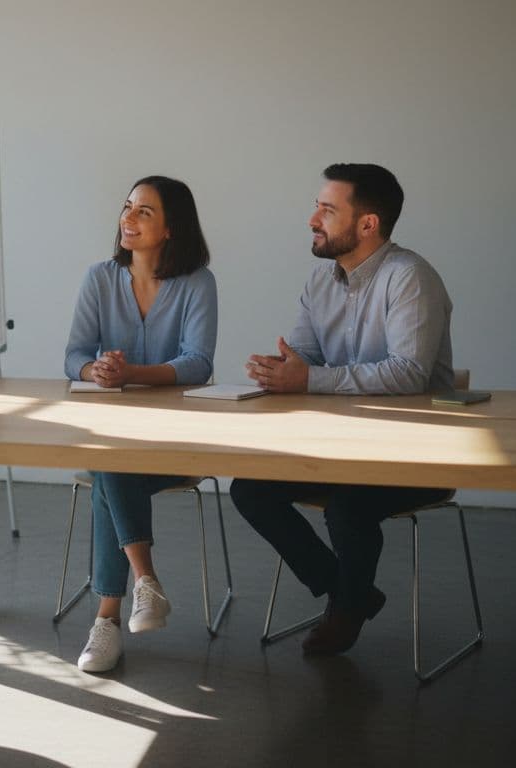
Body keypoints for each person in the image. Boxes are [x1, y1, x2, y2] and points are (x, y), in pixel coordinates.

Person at [230, 163, 454, 656]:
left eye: (328, 210)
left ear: (368, 223)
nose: (313, 219)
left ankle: (347, 610)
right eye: (317, 207)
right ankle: (350, 592)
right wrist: (280, 370)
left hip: (415, 454)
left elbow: (408, 374)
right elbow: (305, 361)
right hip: (340, 448)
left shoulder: (410, 277)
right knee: (250, 489)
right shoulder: (320, 281)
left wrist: (307, 379)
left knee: (349, 506)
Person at [63, 175, 218, 672]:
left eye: (144, 212)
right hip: (115, 441)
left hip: (175, 444)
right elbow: (73, 356)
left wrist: (132, 374)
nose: (128, 218)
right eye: (127, 207)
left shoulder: (197, 283)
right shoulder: (100, 278)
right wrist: (96, 370)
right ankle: (142, 586)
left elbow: (198, 364)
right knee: (113, 459)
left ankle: (108, 618)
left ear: (171, 228)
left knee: (110, 471)